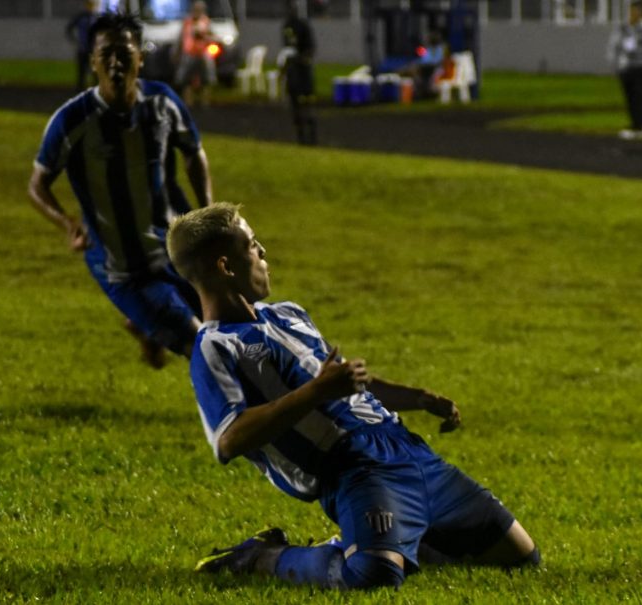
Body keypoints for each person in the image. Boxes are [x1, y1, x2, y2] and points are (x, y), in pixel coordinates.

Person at [166, 203, 540, 590]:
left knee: (522, 557)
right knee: (372, 577)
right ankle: (261, 557)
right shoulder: (216, 346)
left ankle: (401, 541)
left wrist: (420, 398)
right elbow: (230, 439)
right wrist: (316, 391)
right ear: (226, 266)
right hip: (353, 468)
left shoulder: (288, 314)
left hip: (408, 449)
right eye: (253, 245)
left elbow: (348, 384)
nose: (263, 253)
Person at [28, 12, 212, 368]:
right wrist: (66, 222)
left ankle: (145, 328)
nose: (115, 61)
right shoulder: (72, 120)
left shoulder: (163, 103)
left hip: (176, 245)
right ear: (93, 61)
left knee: (229, 322)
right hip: (121, 265)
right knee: (202, 349)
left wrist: (208, 212)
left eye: (124, 52)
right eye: (105, 53)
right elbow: (37, 184)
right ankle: (245, 421)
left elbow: (194, 154)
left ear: (140, 58)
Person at [607, 1, 642, 138]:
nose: (633, 13)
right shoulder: (624, 27)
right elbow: (615, 44)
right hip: (627, 66)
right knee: (630, 96)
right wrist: (615, 61)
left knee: (641, 95)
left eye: (635, 10)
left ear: (641, 12)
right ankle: (635, 123)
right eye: (632, 10)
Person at [282, 0, 317, 145]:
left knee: (307, 105)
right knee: (296, 105)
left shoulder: (303, 26)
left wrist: (303, 59)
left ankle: (312, 136)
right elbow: (286, 47)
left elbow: (311, 48)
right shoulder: (286, 26)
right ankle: (301, 137)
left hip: (303, 71)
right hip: (294, 71)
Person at [174, 0, 216, 107]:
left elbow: (211, 35)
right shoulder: (187, 21)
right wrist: (177, 52)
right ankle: (188, 102)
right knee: (185, 80)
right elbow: (181, 38)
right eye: (196, 9)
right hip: (189, 53)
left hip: (203, 53)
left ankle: (205, 103)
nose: (197, 11)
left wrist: (205, 36)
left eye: (200, 9)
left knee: (207, 79)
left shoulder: (205, 21)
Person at [65, 0, 100, 92]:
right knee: (82, 72)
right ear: (86, 5)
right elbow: (69, 28)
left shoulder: (97, 18)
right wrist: (75, 39)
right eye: (89, 5)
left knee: (95, 72)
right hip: (83, 49)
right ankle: (80, 91)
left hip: (94, 50)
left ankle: (96, 91)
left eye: (92, 5)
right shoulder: (81, 17)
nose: (91, 7)